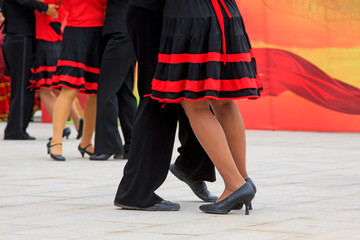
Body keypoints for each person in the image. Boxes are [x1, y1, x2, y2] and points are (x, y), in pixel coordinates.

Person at [149, 0, 262, 214]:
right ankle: (242, 180)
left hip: (191, 16)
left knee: (195, 105)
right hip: (226, 14)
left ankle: (234, 185)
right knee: (224, 102)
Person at [113, 0, 218, 211]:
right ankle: (136, 192)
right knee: (159, 98)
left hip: (177, 13)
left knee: (194, 93)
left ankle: (192, 166)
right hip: (153, 14)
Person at [47, 0, 106, 161]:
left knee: (95, 91)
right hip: (75, 32)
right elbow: (49, 5)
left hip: (101, 33)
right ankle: (56, 141)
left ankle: (86, 142)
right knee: (69, 88)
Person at [1, 0, 58, 140]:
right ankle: (15, 130)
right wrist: (44, 8)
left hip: (21, 38)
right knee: (22, 86)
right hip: (19, 38)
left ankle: (19, 128)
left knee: (26, 86)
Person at [90, 0, 137, 161]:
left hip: (120, 32)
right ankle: (134, 146)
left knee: (106, 91)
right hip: (126, 31)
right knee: (124, 93)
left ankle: (108, 146)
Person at [30, 0, 83, 140]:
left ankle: (65, 126)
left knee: (43, 90)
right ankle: (78, 122)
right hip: (55, 44)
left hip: (45, 43)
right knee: (59, 89)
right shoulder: (63, 4)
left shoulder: (49, 3)